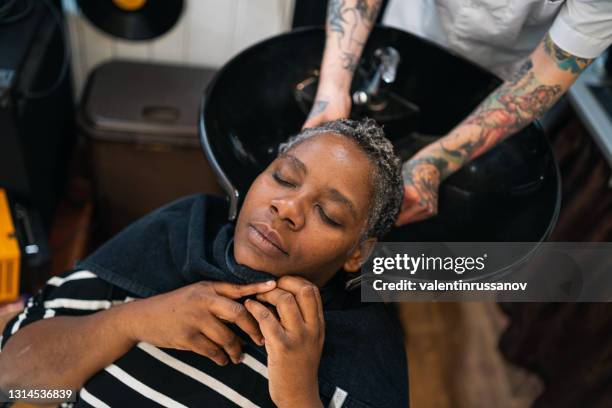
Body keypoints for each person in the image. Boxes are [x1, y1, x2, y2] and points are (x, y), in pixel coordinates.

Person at [0, 119, 408, 408]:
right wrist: (130, 322)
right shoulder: (184, 233)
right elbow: (14, 383)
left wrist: (298, 397)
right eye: (284, 178)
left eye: (329, 215)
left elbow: (470, 270)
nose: (287, 209)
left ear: (357, 253)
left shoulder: (362, 341)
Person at [304, 0, 612, 225]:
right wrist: (332, 88)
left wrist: (435, 163)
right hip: (411, 27)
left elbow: (551, 68)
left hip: (498, 80)